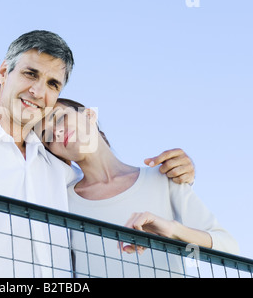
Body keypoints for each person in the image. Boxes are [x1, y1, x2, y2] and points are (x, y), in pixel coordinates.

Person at [0, 30, 196, 278]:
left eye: (52, 83)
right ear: (3, 72)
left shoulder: (58, 165)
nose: (38, 91)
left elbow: (110, 189)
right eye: (30, 74)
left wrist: (176, 173)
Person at [40, 98, 239, 278]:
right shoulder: (61, 200)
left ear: (89, 114)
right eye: (48, 138)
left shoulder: (162, 178)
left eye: (59, 118)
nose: (56, 132)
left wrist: (173, 231)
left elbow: (228, 248)